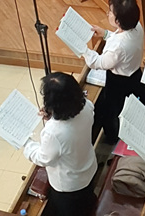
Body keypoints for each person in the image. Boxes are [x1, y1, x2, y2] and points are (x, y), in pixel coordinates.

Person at [83, 0, 145, 143]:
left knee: (112, 109)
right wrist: (105, 34)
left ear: (117, 21)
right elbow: (121, 38)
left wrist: (83, 50)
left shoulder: (117, 46)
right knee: (142, 97)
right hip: (134, 72)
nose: (108, 13)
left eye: (110, 12)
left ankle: (112, 136)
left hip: (118, 81)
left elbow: (99, 63)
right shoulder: (137, 26)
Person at [23, 72, 97, 216]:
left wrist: (26, 143)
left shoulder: (54, 132)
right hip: (88, 169)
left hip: (69, 187)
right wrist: (52, 115)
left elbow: (44, 158)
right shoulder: (87, 106)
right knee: (86, 203)